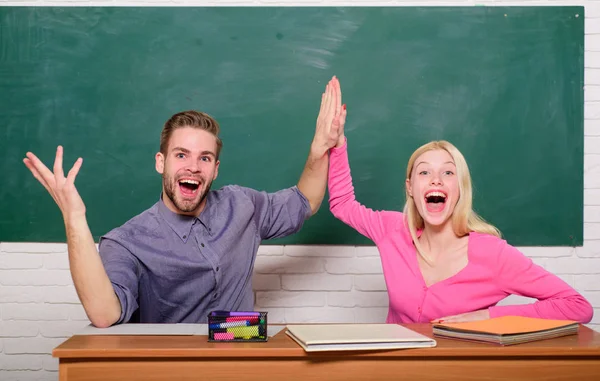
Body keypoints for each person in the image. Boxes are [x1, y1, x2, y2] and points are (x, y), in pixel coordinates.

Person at [23, 76, 345, 327]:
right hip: (170, 367)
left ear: (215, 169)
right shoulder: (126, 242)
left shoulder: (243, 206)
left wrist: (319, 148)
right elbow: (105, 314)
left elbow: (306, 200)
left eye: (204, 158)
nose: (193, 166)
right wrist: (75, 219)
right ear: (160, 162)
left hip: (241, 353)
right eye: (181, 155)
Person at [327, 89, 593, 324]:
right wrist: (338, 143)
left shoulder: (493, 255)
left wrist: (487, 317)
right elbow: (342, 204)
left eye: (448, 173)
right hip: (397, 369)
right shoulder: (392, 230)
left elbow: (577, 306)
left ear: (459, 189)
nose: (435, 179)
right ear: (410, 188)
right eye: (424, 173)